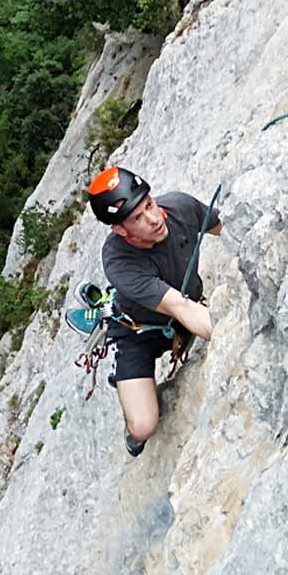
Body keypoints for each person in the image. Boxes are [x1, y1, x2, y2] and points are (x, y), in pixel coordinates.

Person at [87, 165, 220, 457]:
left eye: (149, 204)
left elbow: (228, 228)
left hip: (185, 315)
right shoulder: (118, 261)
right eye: (137, 218)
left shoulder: (181, 207)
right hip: (139, 333)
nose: (153, 219)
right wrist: (226, 334)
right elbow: (178, 306)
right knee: (144, 426)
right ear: (121, 230)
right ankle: (126, 393)